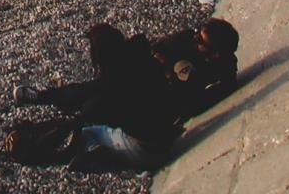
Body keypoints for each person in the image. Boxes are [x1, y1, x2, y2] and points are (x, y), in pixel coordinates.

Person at [10, 21, 180, 170]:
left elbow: (85, 107)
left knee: (86, 133)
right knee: (84, 110)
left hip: (148, 152)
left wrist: (52, 135)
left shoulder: (111, 86)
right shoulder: (143, 58)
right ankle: (41, 100)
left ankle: (48, 157)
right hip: (165, 137)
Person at [152, 18, 239, 117]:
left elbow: (228, 85)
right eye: (198, 32)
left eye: (200, 40)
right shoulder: (181, 41)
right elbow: (157, 53)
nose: (195, 38)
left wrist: (197, 101)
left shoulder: (225, 64)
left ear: (215, 53)